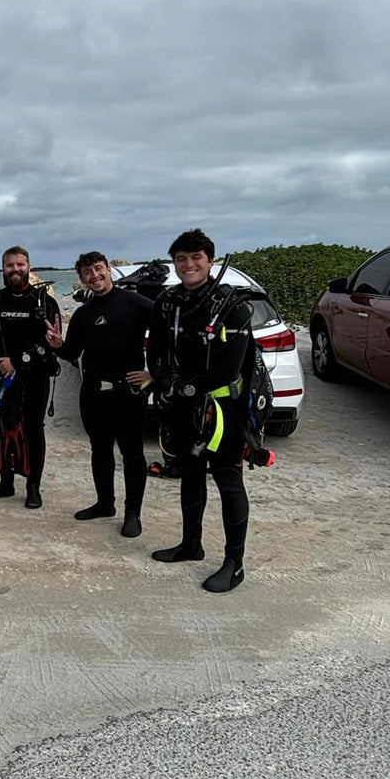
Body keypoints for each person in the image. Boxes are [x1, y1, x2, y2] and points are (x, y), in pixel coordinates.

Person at [130, 228, 251, 593]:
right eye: (181, 259)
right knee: (191, 473)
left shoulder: (234, 306)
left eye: (196, 257)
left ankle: (235, 563)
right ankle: (191, 544)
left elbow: (230, 367)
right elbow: (156, 350)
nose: (189, 264)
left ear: (210, 261)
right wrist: (166, 381)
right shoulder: (168, 302)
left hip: (222, 406)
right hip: (183, 404)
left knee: (228, 480)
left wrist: (184, 385)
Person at [47, 251, 154, 534]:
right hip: (93, 394)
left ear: (108, 269)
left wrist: (154, 373)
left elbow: (169, 333)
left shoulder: (135, 303)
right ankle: (105, 503)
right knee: (100, 449)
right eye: (87, 273)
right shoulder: (83, 314)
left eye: (98, 269)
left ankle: (133, 513)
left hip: (129, 393)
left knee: (132, 454)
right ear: (81, 279)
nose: (94, 276)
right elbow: (73, 352)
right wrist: (57, 344)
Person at [0, 246, 61, 510]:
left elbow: (49, 343)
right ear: (2, 268)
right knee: (4, 430)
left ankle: (33, 485)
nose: (15, 269)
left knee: (33, 430)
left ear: (29, 267)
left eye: (20, 265)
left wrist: (15, 361)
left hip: (33, 375)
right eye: (10, 265)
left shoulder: (44, 302)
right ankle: (5, 482)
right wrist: (1, 362)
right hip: (0, 376)